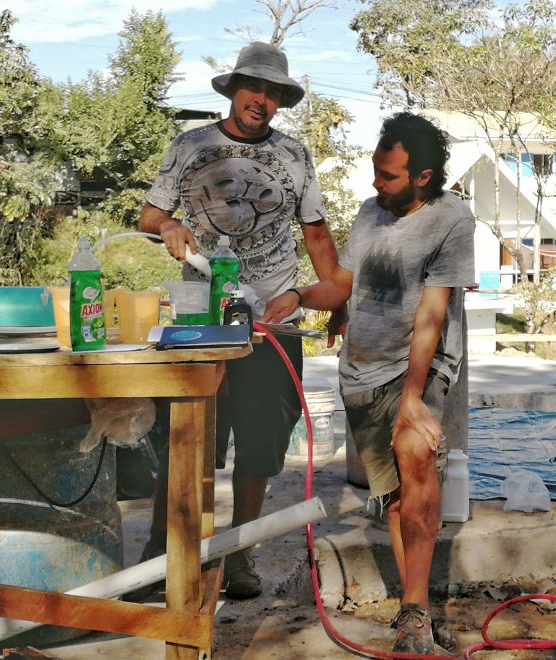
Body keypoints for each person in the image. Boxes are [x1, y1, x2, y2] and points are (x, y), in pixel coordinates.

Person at [263, 112, 475, 653]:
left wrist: (413, 399)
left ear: (422, 177)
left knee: (417, 456)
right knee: (397, 499)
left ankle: (415, 613)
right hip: (362, 370)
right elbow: (343, 284)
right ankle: (415, 611)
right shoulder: (368, 212)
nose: (376, 182)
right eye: (376, 170)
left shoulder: (451, 219)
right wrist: (301, 296)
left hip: (418, 365)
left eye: (389, 175)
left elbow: (432, 313)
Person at [138, 41, 340, 600]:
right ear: (233, 91)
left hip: (270, 321)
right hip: (201, 319)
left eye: (273, 93)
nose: (261, 100)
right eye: (253, 87)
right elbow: (150, 214)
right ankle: (164, 552)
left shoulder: (295, 155)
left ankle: (240, 555)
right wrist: (167, 227)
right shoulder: (191, 145)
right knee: (187, 437)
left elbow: (316, 234)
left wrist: (336, 298)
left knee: (260, 443)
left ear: (280, 102)